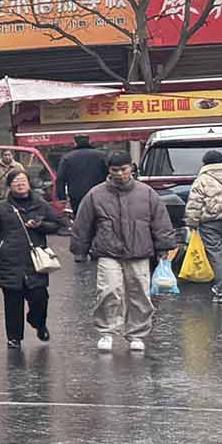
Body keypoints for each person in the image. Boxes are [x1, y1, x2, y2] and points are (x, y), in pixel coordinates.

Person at [69, 147, 176, 352]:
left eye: (123, 169)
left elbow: (160, 221)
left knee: (140, 294)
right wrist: (79, 249)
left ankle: (137, 334)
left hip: (139, 251)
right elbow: (83, 223)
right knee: (108, 291)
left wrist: (164, 247)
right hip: (107, 251)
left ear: (131, 168)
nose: (119, 173)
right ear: (109, 170)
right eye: (115, 170)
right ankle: (107, 332)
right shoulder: (96, 194)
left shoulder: (146, 193)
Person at [0, 170, 58, 349]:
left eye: (23, 180)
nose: (20, 184)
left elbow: (57, 224)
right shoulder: (1, 207)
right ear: (10, 186)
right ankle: (14, 338)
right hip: (10, 261)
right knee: (12, 302)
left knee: (40, 298)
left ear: (29, 183)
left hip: (35, 261)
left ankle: (38, 323)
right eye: (16, 181)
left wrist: (40, 225)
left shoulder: (40, 204)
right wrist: (1, 246)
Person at [186, 148, 222, 308]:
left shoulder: (202, 180)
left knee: (217, 255)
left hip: (211, 222)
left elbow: (195, 203)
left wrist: (192, 223)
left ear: (204, 163)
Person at [56, 134, 109, 214]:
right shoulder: (101, 156)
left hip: (77, 195)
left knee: (80, 217)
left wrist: (62, 197)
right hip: (99, 193)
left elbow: (60, 179)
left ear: (75, 143)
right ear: (89, 141)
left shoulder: (67, 158)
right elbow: (109, 174)